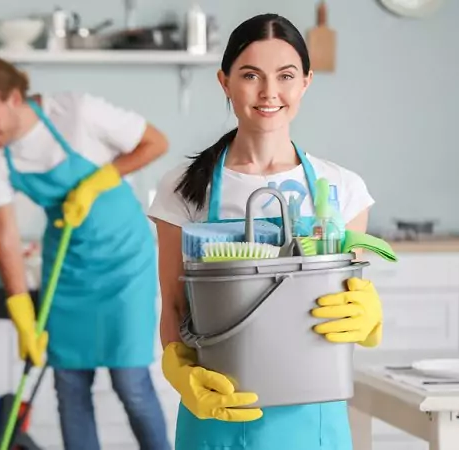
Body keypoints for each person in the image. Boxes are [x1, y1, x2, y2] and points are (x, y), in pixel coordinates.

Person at [147, 13, 384, 450]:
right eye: (251, 75)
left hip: (313, 422)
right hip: (218, 412)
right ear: (224, 81)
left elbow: (351, 299)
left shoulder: (342, 189)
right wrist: (180, 369)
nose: (269, 92)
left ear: (306, 82)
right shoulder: (183, 187)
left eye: (286, 76)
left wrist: (368, 320)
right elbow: (175, 305)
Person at [0, 54, 171, 450]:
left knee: (130, 381)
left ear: (14, 99)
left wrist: (97, 181)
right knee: (70, 384)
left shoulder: (74, 112)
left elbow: (156, 142)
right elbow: (5, 236)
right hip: (68, 265)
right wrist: (21, 311)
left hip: (124, 258)